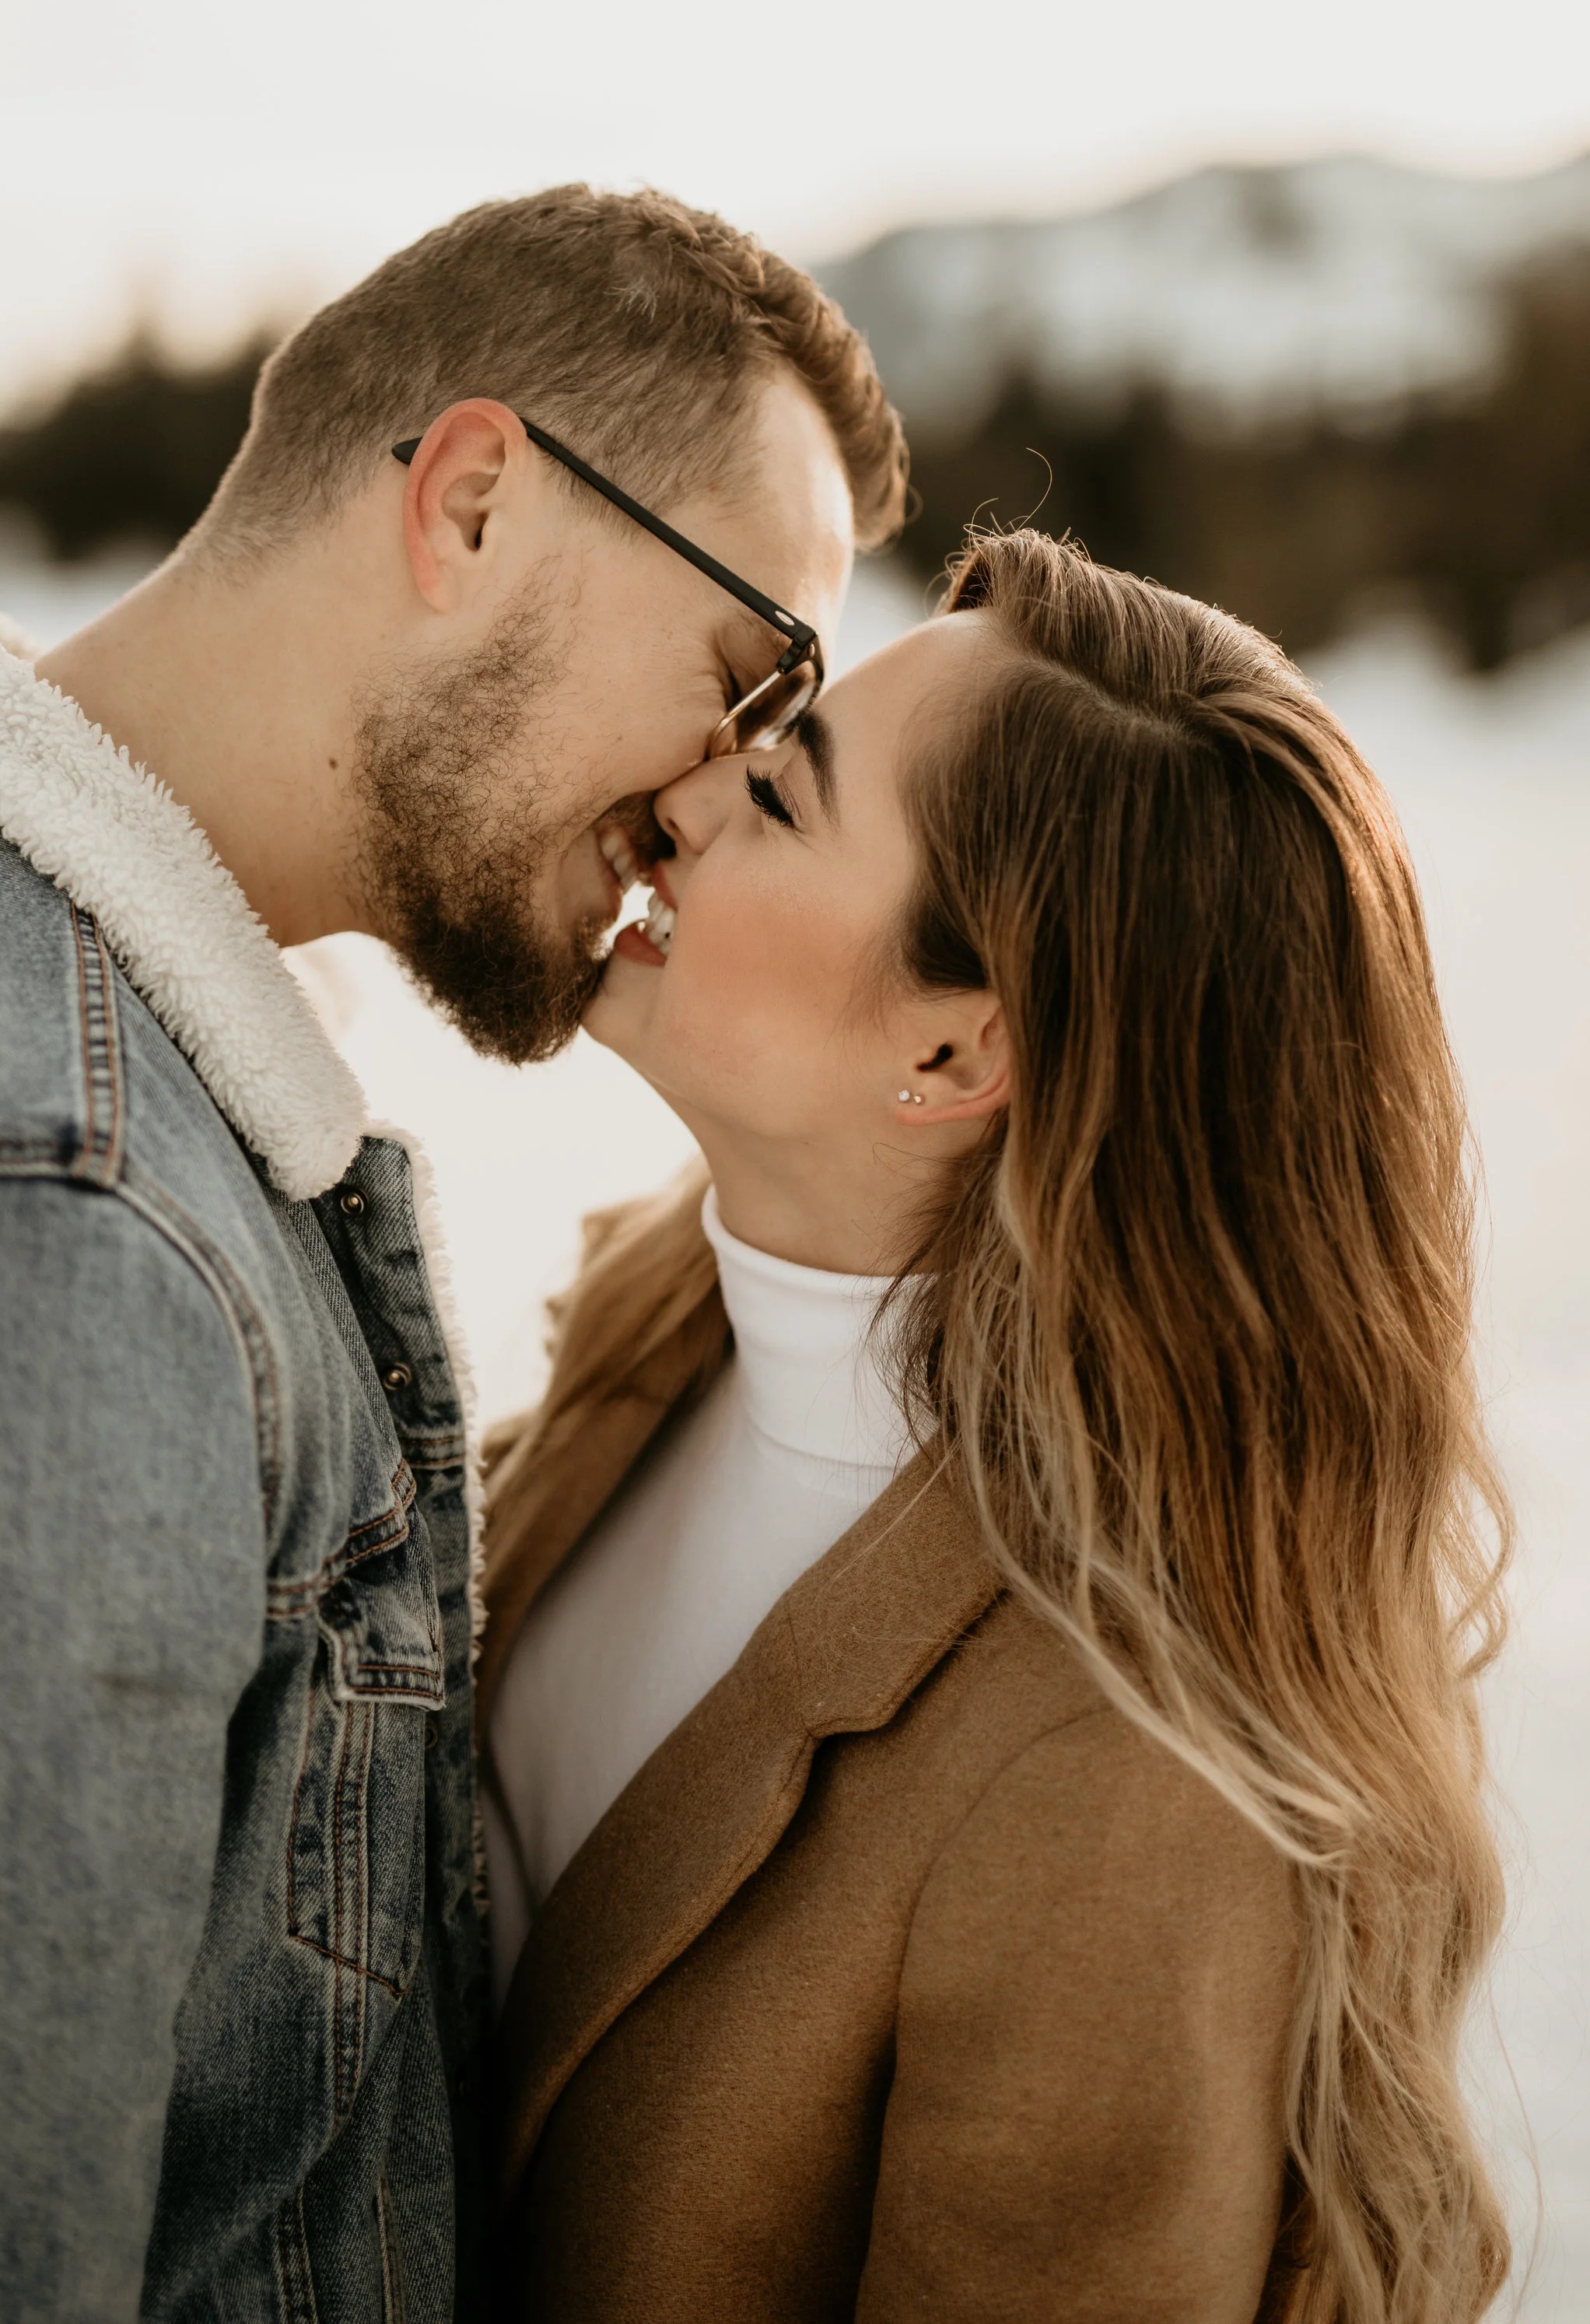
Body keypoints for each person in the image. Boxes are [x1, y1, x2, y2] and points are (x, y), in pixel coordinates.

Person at [0, 184, 906, 2321]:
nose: (720, 793)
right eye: (746, 672)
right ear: (476, 502)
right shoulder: (33, 1219)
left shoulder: (10, 977)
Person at [482, 528, 1511, 2324]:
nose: (682, 788)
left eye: (779, 795)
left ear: (954, 1059)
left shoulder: (1117, 1798)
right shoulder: (656, 1330)